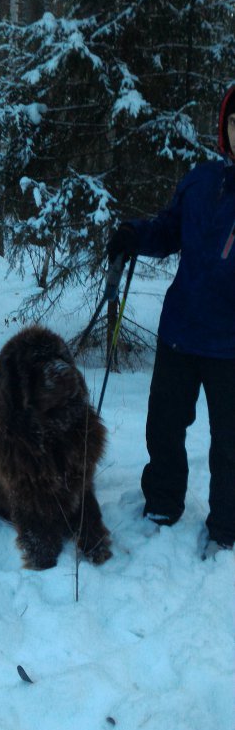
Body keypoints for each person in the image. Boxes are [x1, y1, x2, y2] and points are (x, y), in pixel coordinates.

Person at [107, 85, 235, 560]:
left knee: (230, 444)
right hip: (180, 331)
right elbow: (167, 230)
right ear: (225, 130)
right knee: (163, 426)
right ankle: (162, 504)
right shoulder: (201, 180)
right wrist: (132, 235)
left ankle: (227, 526)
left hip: (231, 346)